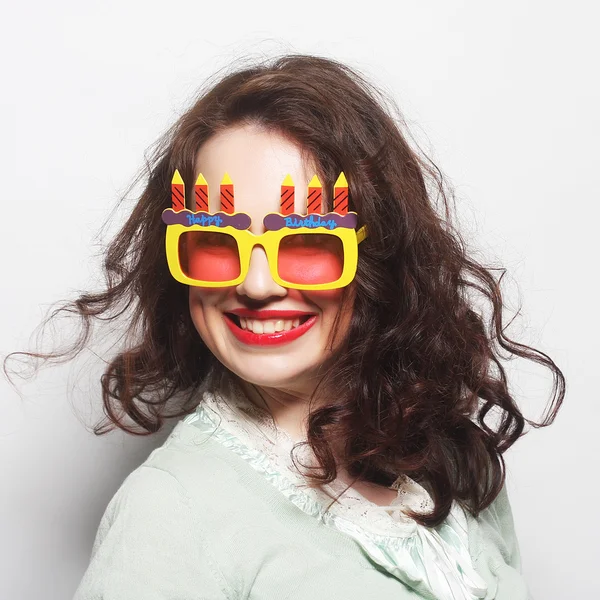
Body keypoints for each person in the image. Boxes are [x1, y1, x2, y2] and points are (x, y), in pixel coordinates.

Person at [14, 55, 564, 599]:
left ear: (379, 256)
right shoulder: (170, 511)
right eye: (214, 241)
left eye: (306, 242)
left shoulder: (450, 454)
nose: (255, 284)